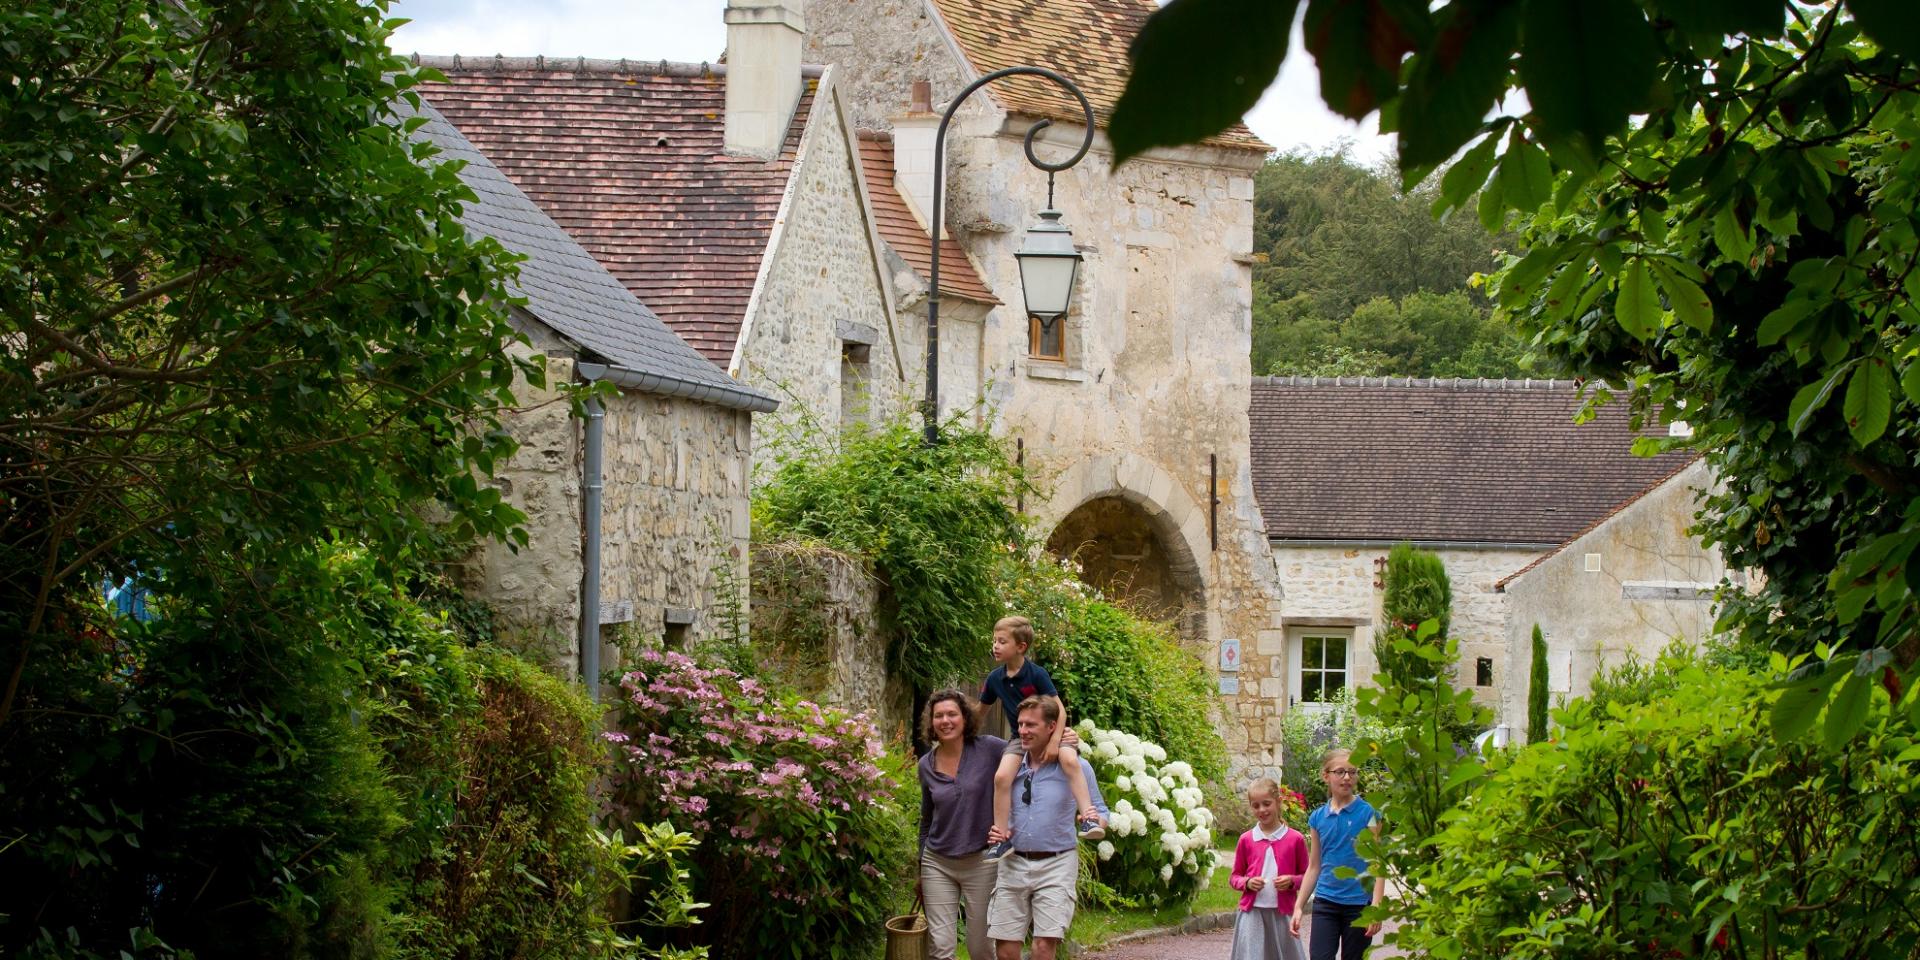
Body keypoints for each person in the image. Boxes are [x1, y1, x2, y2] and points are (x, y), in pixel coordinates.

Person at [916, 689, 1083, 960]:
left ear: (965, 718)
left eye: (951, 714)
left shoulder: (991, 748)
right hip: (938, 862)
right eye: (938, 716)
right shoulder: (926, 765)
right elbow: (926, 821)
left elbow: (1030, 743)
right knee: (940, 948)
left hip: (982, 861)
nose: (945, 721)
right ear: (931, 722)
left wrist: (1064, 740)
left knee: (981, 947)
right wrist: (920, 869)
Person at [985, 695, 1109, 960]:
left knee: (1043, 947)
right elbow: (997, 802)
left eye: (1031, 725)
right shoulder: (1010, 766)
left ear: (1052, 727)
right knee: (1006, 950)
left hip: (1057, 864)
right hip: (1013, 863)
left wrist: (1096, 820)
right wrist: (998, 829)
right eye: (1020, 724)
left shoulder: (1076, 766)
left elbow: (1101, 809)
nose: (1023, 731)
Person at [978, 615, 1102, 864]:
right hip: (1019, 736)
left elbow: (1061, 710)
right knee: (1002, 777)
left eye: (1002, 641)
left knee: (1068, 760)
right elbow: (980, 713)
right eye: (994, 641)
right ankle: (1001, 838)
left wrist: (1056, 741)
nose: (995, 646)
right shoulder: (994, 679)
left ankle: (1089, 817)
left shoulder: (1036, 674)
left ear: (1021, 647)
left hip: (1051, 732)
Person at [1290, 750, 1385, 960]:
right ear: (1326, 776)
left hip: (1359, 905)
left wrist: (1376, 907)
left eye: (1352, 772)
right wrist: (1298, 907)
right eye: (1340, 772)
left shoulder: (1369, 814)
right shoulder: (1317, 818)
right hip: (1326, 903)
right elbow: (1314, 866)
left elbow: (1378, 862)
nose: (1347, 777)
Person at [1229, 777, 1307, 960]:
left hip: (1283, 913)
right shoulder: (1246, 839)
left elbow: (1308, 876)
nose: (1262, 810)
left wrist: (1292, 881)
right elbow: (1234, 877)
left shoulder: (1295, 839)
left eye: (1266, 804)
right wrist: (1247, 882)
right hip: (1252, 913)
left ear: (1278, 802)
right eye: (1256, 806)